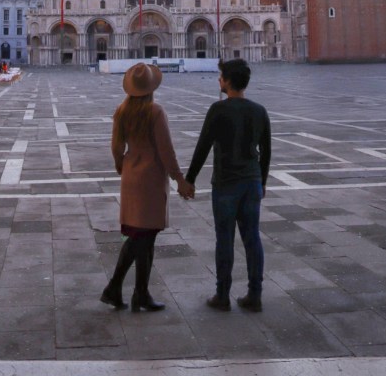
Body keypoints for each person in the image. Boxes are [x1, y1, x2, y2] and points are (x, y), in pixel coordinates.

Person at [101, 62, 192, 312]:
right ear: (151, 88)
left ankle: (138, 292)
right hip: (150, 179)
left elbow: (116, 147)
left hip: (131, 176)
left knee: (142, 236)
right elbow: (166, 150)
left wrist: (122, 166)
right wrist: (179, 179)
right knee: (143, 236)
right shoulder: (155, 112)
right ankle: (118, 287)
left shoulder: (122, 110)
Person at [184, 58, 271, 313]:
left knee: (225, 239)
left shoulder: (218, 109)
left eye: (221, 76)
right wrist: (262, 182)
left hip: (226, 184)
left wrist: (189, 179)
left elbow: (202, 147)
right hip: (252, 182)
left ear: (228, 81)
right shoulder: (259, 110)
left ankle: (222, 295)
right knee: (252, 238)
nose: (218, 80)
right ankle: (255, 295)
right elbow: (266, 152)